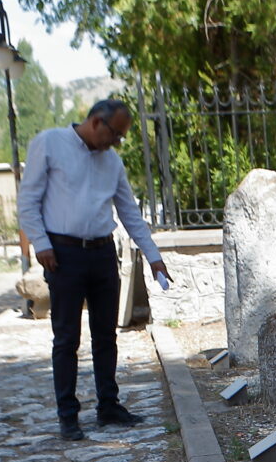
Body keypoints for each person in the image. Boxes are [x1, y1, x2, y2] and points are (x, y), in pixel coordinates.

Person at [17, 98, 171, 441]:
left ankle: (108, 406)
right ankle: (68, 416)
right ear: (96, 122)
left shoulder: (112, 162)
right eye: (115, 134)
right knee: (67, 338)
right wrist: (41, 244)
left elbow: (129, 212)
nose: (116, 142)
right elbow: (28, 200)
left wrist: (153, 254)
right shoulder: (50, 143)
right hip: (63, 254)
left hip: (102, 253)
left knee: (106, 335)